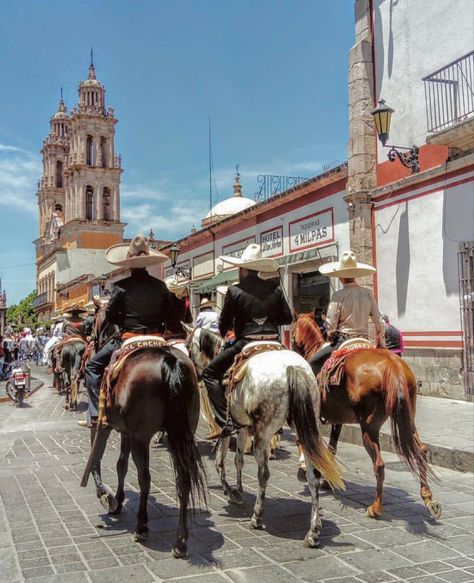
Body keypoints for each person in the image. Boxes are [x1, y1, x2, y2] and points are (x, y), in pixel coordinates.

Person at [84, 234, 174, 427]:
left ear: (129, 263)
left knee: (92, 366)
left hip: (129, 337)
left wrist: (124, 322)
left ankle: (95, 413)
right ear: (147, 263)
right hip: (158, 339)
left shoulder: (121, 286)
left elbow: (109, 316)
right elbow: (171, 315)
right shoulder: (161, 286)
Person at [202, 243, 292, 433]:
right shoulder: (274, 289)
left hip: (246, 342)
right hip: (274, 343)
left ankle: (225, 420)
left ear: (242, 269)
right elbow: (288, 318)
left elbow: (224, 323)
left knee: (209, 373)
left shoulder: (235, 291)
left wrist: (227, 332)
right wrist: (268, 319)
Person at [309, 250, 386, 376]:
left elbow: (331, 325)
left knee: (312, 364)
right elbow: (378, 320)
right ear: (355, 275)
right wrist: (381, 342)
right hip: (365, 340)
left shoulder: (338, 295)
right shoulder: (368, 293)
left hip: (343, 341)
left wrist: (328, 329)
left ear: (341, 277)